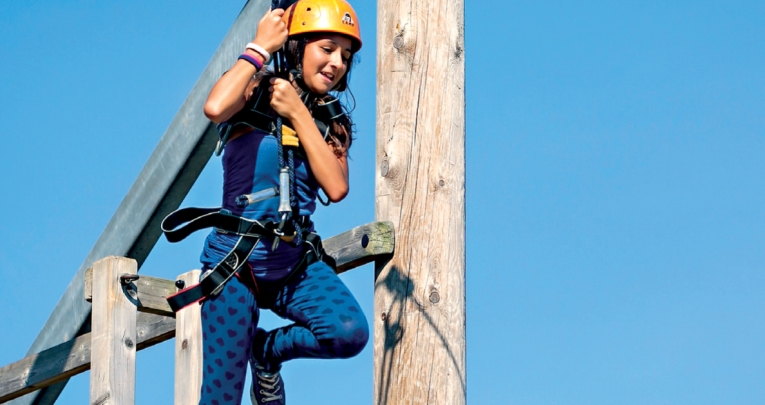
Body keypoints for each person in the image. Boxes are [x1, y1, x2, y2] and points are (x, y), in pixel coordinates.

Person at [196, 1, 368, 404]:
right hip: (236, 265)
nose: (337, 63)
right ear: (299, 45)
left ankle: (266, 352)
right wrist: (259, 46)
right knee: (221, 399)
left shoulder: (332, 120)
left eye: (345, 55)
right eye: (327, 48)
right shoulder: (255, 89)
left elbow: (336, 187)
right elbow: (215, 107)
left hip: (293, 264)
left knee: (348, 331)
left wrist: (297, 112)